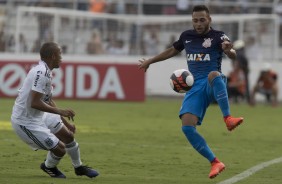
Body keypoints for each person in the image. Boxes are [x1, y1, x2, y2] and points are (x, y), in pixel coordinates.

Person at [138, 5, 244, 179]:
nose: (199, 23)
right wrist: (150, 60)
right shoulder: (186, 36)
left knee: (214, 74)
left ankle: (228, 118)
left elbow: (231, 53)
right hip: (194, 86)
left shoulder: (219, 36)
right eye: (195, 20)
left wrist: (228, 50)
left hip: (213, 83)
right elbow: (173, 50)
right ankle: (215, 162)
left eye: (202, 20)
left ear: (209, 19)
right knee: (187, 127)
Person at [11, 42, 99, 179]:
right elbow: (34, 102)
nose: (61, 58)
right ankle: (48, 166)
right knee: (60, 149)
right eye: (60, 55)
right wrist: (61, 112)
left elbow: (47, 101)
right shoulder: (41, 72)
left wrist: (66, 122)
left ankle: (79, 167)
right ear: (53, 56)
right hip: (25, 122)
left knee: (68, 136)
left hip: (38, 116)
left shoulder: (46, 72)